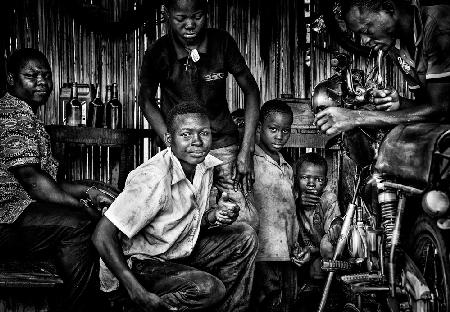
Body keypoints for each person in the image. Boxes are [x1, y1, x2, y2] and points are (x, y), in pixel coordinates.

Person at [92, 102, 258, 312]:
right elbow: (102, 235)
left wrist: (214, 216)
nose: (197, 142)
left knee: (245, 236)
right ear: (170, 140)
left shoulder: (205, 166)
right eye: (186, 134)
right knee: (208, 288)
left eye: (204, 133)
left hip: (176, 251)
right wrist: (136, 291)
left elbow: (182, 224)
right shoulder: (154, 178)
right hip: (142, 264)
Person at [0, 48, 113, 311]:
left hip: (19, 212)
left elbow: (44, 183)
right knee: (78, 224)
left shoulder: (26, 114)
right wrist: (79, 205)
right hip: (6, 218)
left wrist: (88, 189)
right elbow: (32, 180)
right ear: (10, 79)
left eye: (46, 75)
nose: (41, 81)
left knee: (86, 209)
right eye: (31, 75)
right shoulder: (12, 114)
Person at [138, 0, 260, 230]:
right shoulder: (158, 52)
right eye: (181, 18)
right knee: (184, 218)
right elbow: (145, 100)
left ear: (206, 13)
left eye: (197, 16)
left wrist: (247, 149)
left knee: (243, 220)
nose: (190, 24)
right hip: (181, 149)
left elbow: (251, 90)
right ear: (167, 15)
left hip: (224, 145)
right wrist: (170, 139)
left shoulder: (222, 43)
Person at [314, 0, 450, 135]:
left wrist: (356, 117)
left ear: (389, 7)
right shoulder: (394, 45)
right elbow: (426, 107)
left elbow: (441, 108)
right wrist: (400, 104)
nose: (364, 41)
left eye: (366, 30)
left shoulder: (438, 24)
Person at [250, 100, 298, 312]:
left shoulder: (286, 166)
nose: (280, 136)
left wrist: (295, 243)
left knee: (284, 301)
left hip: (285, 251)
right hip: (262, 252)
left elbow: (290, 211)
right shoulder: (249, 161)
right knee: (265, 298)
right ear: (260, 127)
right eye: (273, 129)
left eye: (285, 131)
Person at [291, 153, 341, 281]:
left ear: (325, 182)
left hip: (321, 253)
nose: (311, 184)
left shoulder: (328, 199)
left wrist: (337, 225)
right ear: (296, 179)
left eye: (318, 179)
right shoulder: (291, 196)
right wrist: (296, 201)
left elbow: (331, 236)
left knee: (318, 271)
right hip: (301, 250)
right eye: (305, 177)